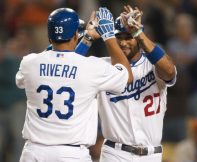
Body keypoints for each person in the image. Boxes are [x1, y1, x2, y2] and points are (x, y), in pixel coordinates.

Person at [16, 7, 133, 162]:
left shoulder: (29, 63)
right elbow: (127, 75)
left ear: (49, 36)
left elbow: (60, 62)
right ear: (75, 35)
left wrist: (86, 38)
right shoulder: (91, 67)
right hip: (71, 154)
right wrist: (108, 35)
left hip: (34, 152)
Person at [85, 5, 176, 162]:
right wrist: (87, 38)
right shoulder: (102, 67)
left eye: (128, 37)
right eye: (118, 37)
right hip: (115, 153)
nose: (123, 43)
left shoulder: (152, 63)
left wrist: (139, 33)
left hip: (151, 154)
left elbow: (169, 71)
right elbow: (69, 68)